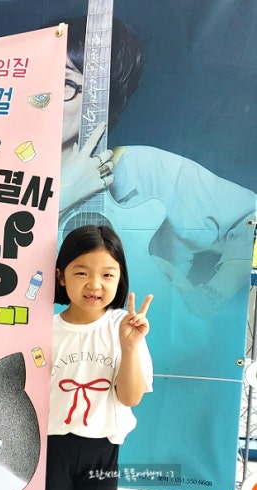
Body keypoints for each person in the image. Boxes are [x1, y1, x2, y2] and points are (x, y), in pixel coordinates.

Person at [58, 16, 255, 319]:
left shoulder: (144, 168)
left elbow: (250, 216)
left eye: (66, 83)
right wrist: (63, 193)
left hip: (140, 340)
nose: (44, 100)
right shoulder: (0, 176)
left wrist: (212, 295)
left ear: (101, 99)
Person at [44, 224, 153, 490]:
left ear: (120, 279)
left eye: (107, 274)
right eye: (82, 272)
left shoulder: (125, 327)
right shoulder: (44, 329)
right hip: (51, 447)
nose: (94, 284)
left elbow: (130, 397)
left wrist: (130, 347)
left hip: (103, 448)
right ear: (61, 276)